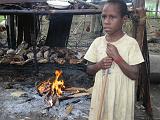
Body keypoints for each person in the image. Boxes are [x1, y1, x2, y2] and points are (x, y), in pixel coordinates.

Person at [84, 0, 144, 120]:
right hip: (101, 97)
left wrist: (118, 58)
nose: (106, 21)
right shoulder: (98, 42)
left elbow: (135, 74)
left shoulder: (131, 44)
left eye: (112, 17)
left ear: (124, 19)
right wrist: (99, 65)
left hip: (121, 99)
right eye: (104, 16)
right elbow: (89, 70)